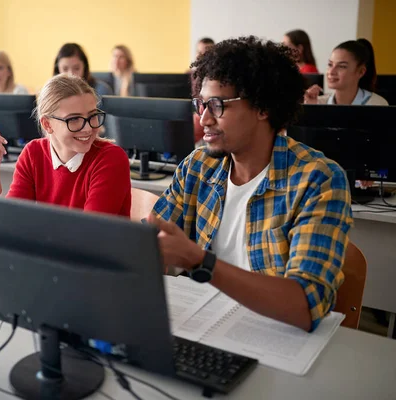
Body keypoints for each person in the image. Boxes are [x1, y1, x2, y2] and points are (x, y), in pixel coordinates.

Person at [147, 36, 353, 332]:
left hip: (277, 334)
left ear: (262, 108)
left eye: (217, 105)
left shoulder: (318, 179)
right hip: (206, 322)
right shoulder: (198, 166)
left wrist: (200, 261)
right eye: (201, 104)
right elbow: (152, 244)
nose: (203, 118)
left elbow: (307, 305)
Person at [0, 74, 131, 217]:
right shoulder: (33, 153)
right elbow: (13, 220)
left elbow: (89, 235)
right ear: (47, 124)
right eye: (74, 119)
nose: (88, 128)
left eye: (92, 116)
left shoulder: (111, 159)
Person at [305, 39, 388, 105]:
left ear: (361, 72)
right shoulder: (318, 103)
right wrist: (311, 108)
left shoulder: (377, 104)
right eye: (330, 64)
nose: (331, 72)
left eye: (342, 66)